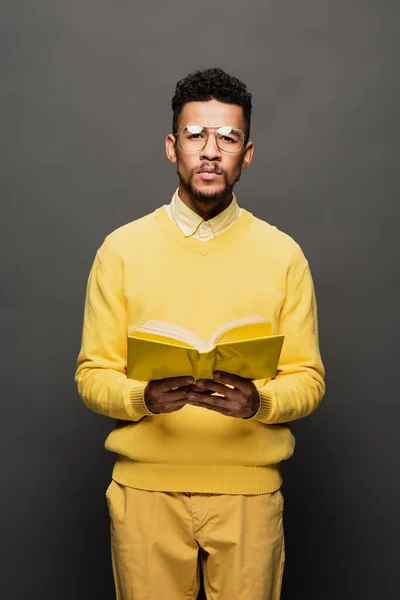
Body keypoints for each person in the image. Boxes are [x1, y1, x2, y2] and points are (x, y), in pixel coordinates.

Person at [75, 67, 325, 600]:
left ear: (247, 153)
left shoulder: (284, 255)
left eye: (228, 138)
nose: (210, 151)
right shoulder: (120, 250)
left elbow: (308, 379)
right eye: (195, 136)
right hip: (144, 492)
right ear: (173, 147)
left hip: (250, 496)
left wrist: (258, 402)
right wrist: (140, 396)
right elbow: (92, 374)